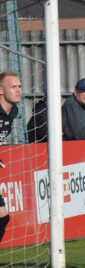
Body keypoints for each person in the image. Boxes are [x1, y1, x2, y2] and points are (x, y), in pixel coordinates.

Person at [0, 72, 22, 243]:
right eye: (13, 87)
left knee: (3, 218)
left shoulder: (13, 111)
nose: (18, 90)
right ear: (1, 90)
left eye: (19, 86)